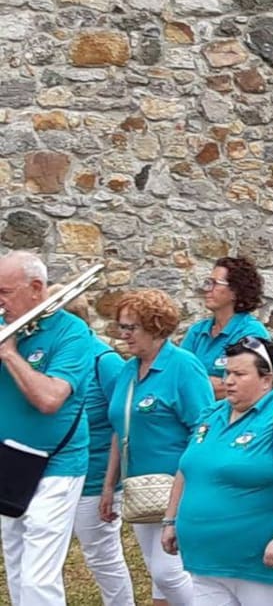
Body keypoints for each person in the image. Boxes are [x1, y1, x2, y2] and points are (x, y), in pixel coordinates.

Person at [163, 337, 273, 604]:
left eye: (239, 374)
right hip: (204, 559)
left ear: (266, 379)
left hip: (255, 562)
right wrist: (171, 520)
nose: (228, 380)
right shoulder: (213, 413)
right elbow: (187, 468)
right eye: (227, 372)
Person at [105, 290, 214, 606]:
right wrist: (109, 485)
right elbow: (119, 428)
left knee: (168, 572)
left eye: (131, 328)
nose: (124, 335)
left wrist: (192, 481)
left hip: (176, 484)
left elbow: (203, 430)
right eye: (121, 327)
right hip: (139, 487)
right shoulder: (128, 370)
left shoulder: (183, 367)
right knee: (157, 574)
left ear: (155, 327)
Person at [0, 252, 94, 606]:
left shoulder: (72, 333)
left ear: (36, 288)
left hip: (57, 463)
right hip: (10, 460)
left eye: (5, 292)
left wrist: (9, 354)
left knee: (39, 577)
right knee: (18, 567)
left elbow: (50, 399)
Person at [55, 289, 136, 606]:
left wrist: (109, 486)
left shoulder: (105, 361)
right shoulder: (54, 357)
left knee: (101, 555)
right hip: (56, 473)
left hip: (94, 475)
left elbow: (122, 421)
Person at [181, 256, 270, 399]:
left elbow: (243, 387)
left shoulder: (251, 333)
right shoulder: (197, 331)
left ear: (235, 291)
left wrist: (193, 383)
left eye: (215, 283)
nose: (207, 289)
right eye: (207, 283)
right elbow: (177, 377)